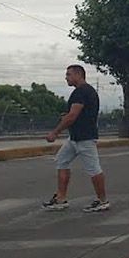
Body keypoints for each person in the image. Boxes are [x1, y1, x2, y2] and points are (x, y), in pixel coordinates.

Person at [41, 65, 110, 212]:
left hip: (84, 138)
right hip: (75, 138)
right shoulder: (87, 91)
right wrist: (67, 117)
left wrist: (55, 132)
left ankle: (102, 200)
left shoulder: (81, 92)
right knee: (62, 161)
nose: (66, 78)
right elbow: (77, 114)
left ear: (78, 75)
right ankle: (61, 199)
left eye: (69, 74)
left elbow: (73, 116)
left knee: (94, 169)